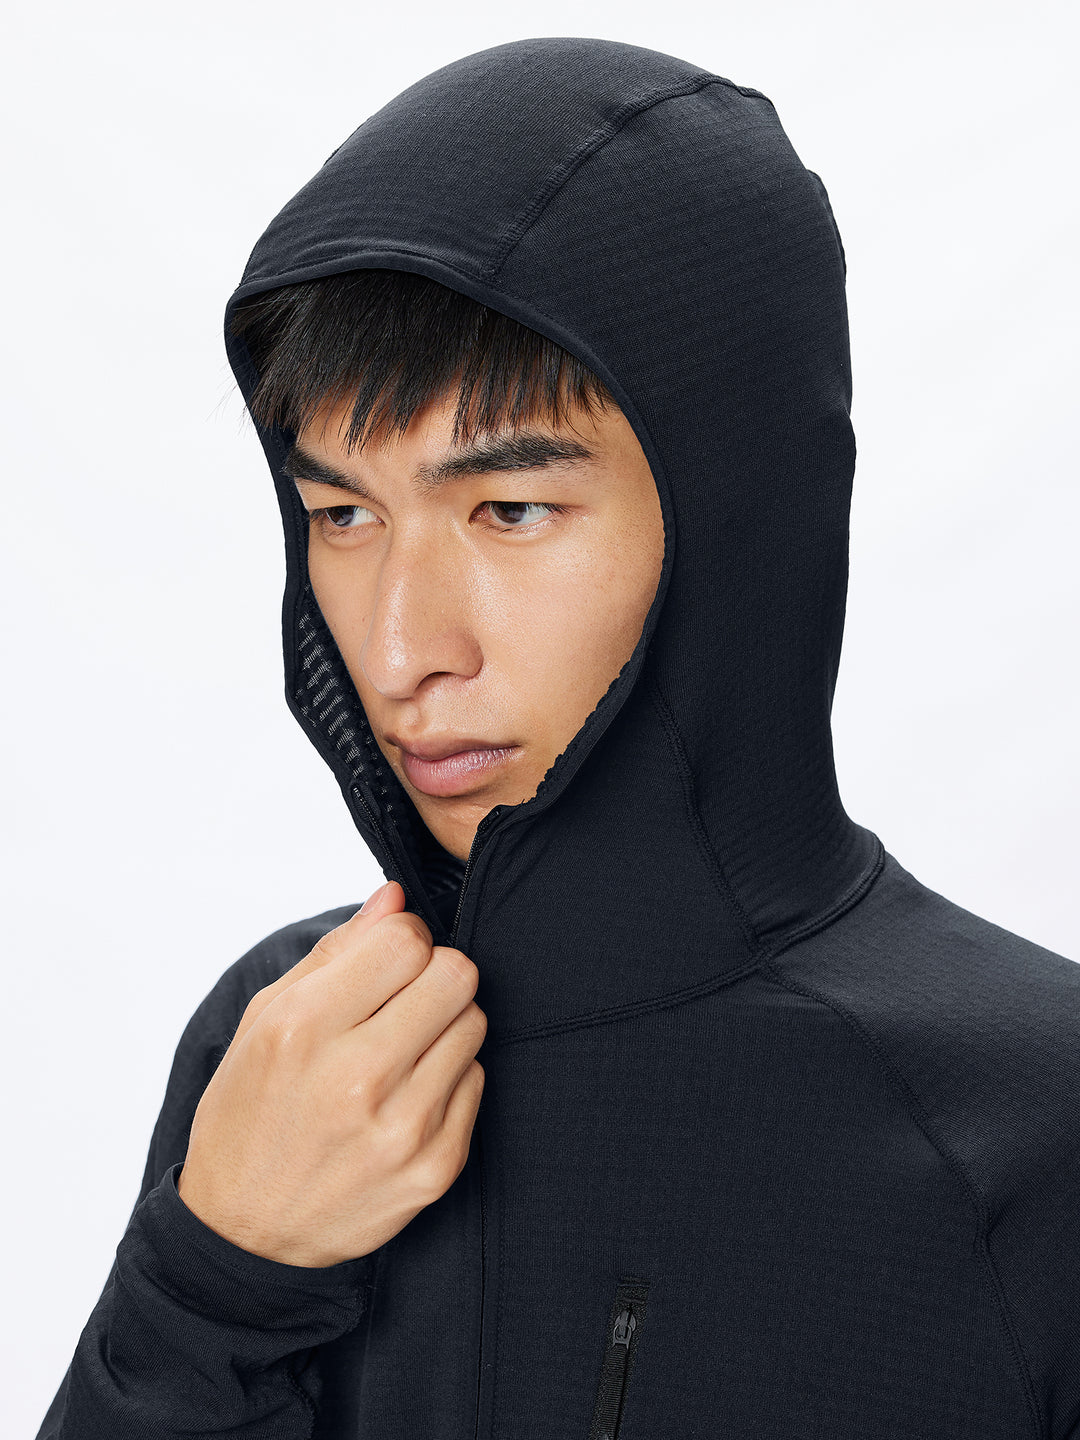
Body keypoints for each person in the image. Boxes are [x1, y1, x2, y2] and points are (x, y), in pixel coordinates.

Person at [36, 34, 1079, 1440]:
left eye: (510, 511)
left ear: (739, 520)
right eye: (343, 514)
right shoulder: (285, 1045)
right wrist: (213, 1280)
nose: (400, 650)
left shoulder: (1037, 1130)